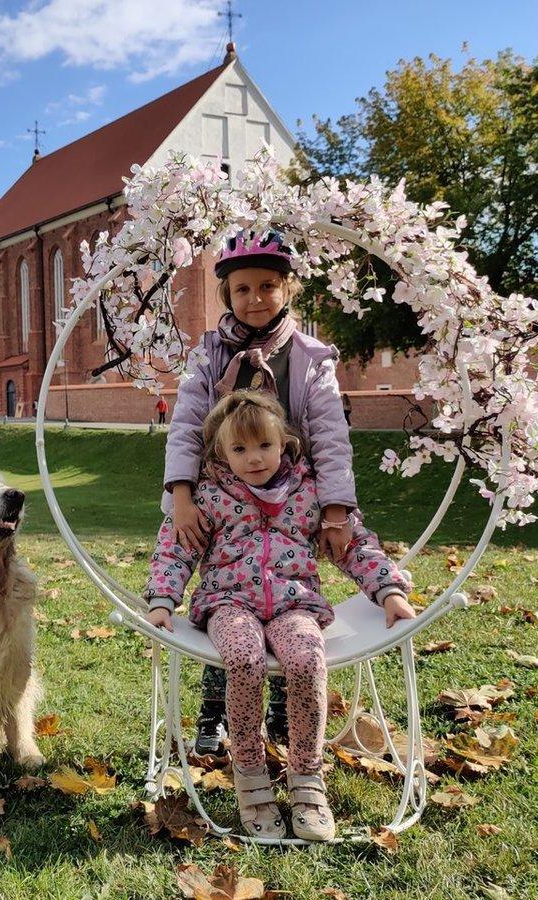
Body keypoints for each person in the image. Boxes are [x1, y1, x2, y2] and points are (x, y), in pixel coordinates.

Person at [145, 391, 414, 840]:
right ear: (220, 452)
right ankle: (250, 775)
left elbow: (355, 545)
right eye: (239, 449)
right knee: (245, 660)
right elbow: (174, 551)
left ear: (284, 442)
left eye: (264, 446)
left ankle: (307, 776)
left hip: (295, 603)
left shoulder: (309, 492)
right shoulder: (210, 495)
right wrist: (161, 601)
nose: (253, 459)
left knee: (308, 661)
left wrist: (387, 590)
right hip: (229, 603)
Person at [159, 229, 361, 757]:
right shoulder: (208, 355)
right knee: (228, 595)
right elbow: (184, 426)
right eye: (242, 289)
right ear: (227, 294)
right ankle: (215, 712)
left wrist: (334, 507)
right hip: (225, 491)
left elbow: (330, 437)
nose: (255, 299)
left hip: (291, 492)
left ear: (288, 288)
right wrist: (182, 495)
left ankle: (280, 716)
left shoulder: (311, 357)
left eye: (268, 286)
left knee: (286, 601)